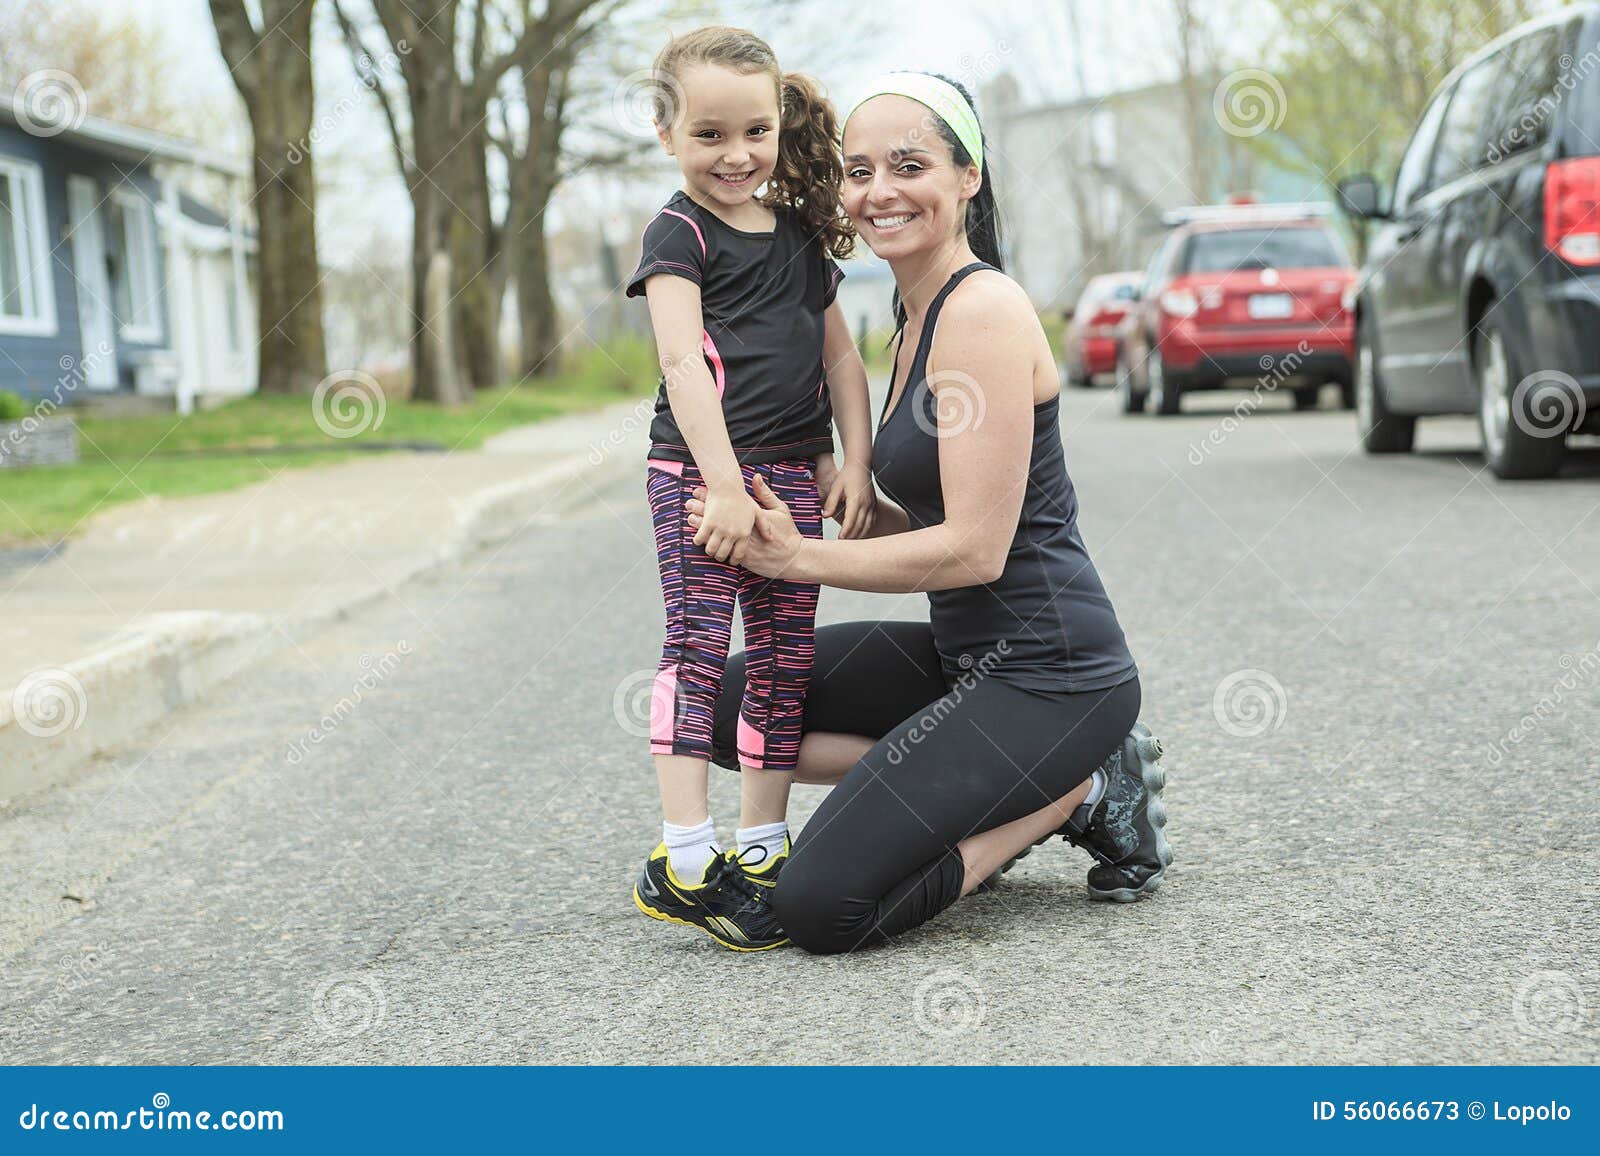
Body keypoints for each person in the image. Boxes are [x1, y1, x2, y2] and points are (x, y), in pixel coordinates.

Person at [688, 71, 1172, 954]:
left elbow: (979, 551)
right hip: (964, 662)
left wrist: (798, 560)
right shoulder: (911, 320)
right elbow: (952, 513)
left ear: (966, 178)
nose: (880, 193)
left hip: (1051, 678)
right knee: (716, 708)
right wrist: (860, 510)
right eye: (859, 170)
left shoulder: (981, 310)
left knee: (820, 906)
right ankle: (980, 778)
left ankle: (1075, 792)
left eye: (909, 166)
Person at [626, 27, 878, 952]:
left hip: (788, 473)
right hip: (701, 476)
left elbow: (840, 355)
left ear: (777, 127)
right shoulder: (678, 234)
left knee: (784, 654)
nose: (736, 156)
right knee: (697, 645)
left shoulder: (803, 236)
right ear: (667, 134)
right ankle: (684, 857)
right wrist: (724, 486)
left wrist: (852, 459)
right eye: (709, 136)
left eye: (755, 132)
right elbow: (683, 363)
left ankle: (763, 845)